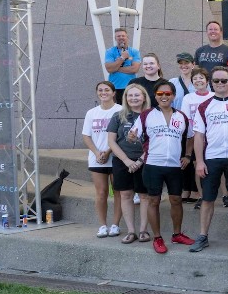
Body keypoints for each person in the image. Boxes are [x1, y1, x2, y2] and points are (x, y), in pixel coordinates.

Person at [188, 66, 228, 252]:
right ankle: (203, 236)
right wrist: (199, 161)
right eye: (216, 81)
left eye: (224, 80)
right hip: (212, 157)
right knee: (207, 198)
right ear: (211, 83)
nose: (221, 84)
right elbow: (199, 136)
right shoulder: (204, 106)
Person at [137, 80, 196, 254]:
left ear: (173, 96)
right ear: (155, 96)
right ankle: (157, 238)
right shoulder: (146, 115)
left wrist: (187, 155)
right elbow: (134, 135)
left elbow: (190, 137)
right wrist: (133, 137)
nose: (164, 97)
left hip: (174, 166)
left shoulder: (181, 116)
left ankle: (177, 234)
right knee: (153, 201)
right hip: (153, 164)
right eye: (160, 94)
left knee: (176, 200)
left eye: (167, 94)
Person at [106, 84, 150, 245]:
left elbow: (155, 142)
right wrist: (126, 160)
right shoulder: (118, 116)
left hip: (145, 162)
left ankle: (143, 230)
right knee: (125, 195)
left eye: (137, 95)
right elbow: (111, 141)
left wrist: (139, 161)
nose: (133, 98)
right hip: (122, 161)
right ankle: (131, 231)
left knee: (145, 196)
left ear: (144, 97)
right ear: (125, 98)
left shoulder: (151, 115)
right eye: (130, 95)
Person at [84, 81, 123, 239]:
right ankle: (102, 225)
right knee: (101, 193)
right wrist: (97, 152)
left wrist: (108, 151)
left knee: (118, 192)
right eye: (100, 90)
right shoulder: (91, 113)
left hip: (116, 158)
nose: (103, 92)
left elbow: (121, 136)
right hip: (97, 159)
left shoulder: (120, 110)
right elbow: (86, 136)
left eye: (107, 90)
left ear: (114, 93)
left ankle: (115, 224)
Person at [179, 67, 211, 206]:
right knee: (197, 164)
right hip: (193, 137)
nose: (198, 81)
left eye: (201, 78)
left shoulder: (213, 96)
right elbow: (185, 119)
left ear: (207, 80)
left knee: (213, 165)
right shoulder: (188, 98)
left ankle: (225, 195)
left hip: (211, 138)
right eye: (195, 79)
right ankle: (202, 196)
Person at [103, 27, 140, 99]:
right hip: (115, 87)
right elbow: (109, 69)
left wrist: (116, 67)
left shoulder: (134, 52)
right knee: (117, 109)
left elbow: (134, 69)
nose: (121, 38)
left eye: (123, 36)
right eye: (118, 36)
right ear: (115, 38)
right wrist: (122, 58)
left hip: (130, 87)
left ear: (127, 37)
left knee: (130, 109)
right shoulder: (109, 51)